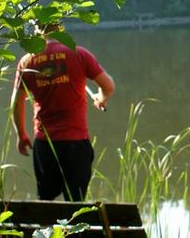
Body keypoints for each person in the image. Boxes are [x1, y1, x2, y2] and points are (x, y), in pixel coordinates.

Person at [11, 21, 115, 201]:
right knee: (75, 203)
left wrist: (21, 135)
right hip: (76, 143)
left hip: (45, 144)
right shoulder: (79, 53)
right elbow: (108, 86)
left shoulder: (27, 60)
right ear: (61, 29)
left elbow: (16, 102)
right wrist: (101, 98)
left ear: (38, 31)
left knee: (46, 201)